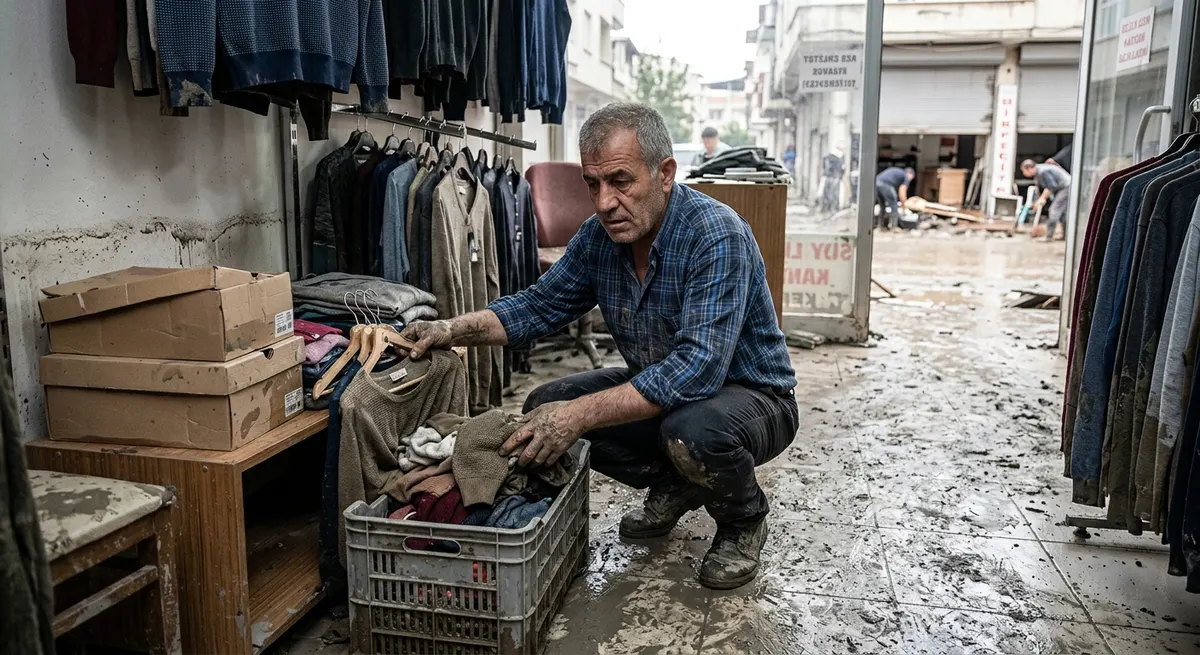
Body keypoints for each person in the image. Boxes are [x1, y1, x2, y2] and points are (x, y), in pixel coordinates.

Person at [402, 102, 799, 590]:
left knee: (688, 429)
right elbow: (538, 306)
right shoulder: (598, 239)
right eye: (593, 184)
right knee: (545, 405)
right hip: (668, 391)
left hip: (754, 399)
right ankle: (677, 483)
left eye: (621, 181)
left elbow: (697, 369)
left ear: (665, 173)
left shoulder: (715, 235)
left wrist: (580, 415)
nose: (605, 201)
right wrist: (448, 330)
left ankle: (743, 521)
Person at [1021, 158, 1072, 240]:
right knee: (1062, 213)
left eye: (1024, 171)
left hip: (1066, 187)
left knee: (1054, 210)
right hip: (1062, 188)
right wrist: (1039, 200)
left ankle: (1049, 236)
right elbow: (1041, 189)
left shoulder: (1043, 171)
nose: (1024, 173)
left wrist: (1042, 198)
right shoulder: (1038, 172)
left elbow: (1051, 187)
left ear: (1029, 168)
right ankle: (1065, 236)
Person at [821, 146, 846, 212]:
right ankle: (832, 208)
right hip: (835, 177)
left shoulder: (827, 157)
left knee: (828, 193)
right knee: (833, 193)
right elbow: (842, 169)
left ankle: (827, 208)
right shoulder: (839, 158)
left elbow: (825, 167)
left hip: (829, 177)